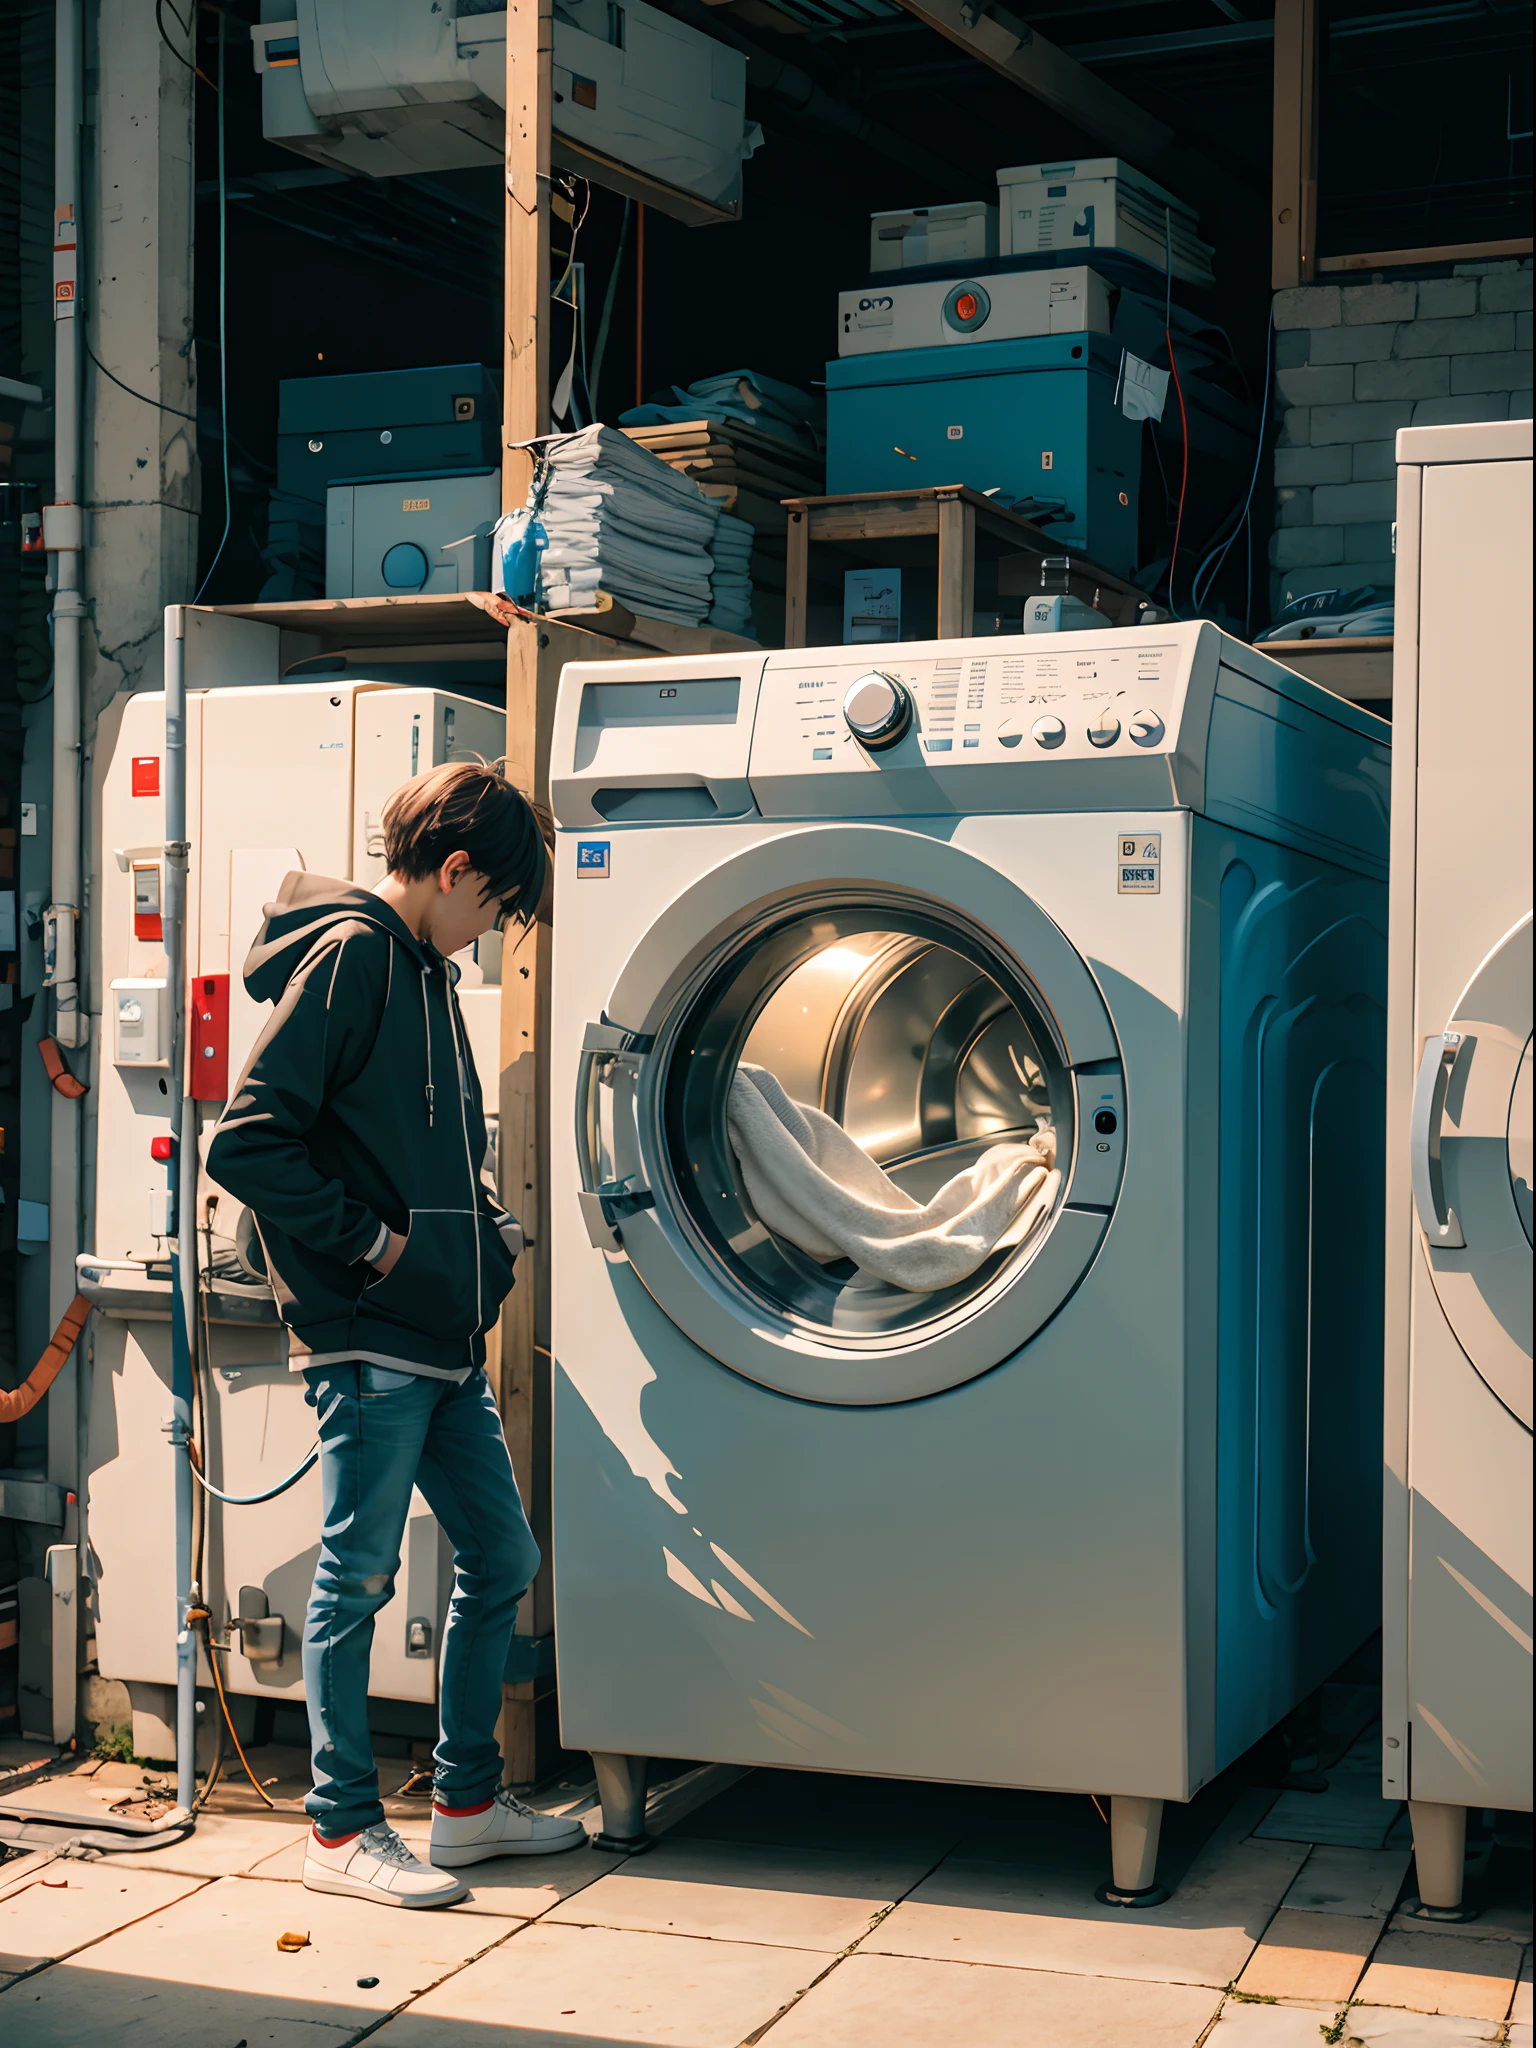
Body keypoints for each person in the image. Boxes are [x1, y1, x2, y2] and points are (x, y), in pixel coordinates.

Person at [208, 758, 583, 1908]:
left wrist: (480, 1228)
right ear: (457, 868)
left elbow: (407, 1152)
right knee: (357, 1575)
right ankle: (339, 1829)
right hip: (369, 1338)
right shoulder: (356, 956)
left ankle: (466, 1804)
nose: (491, 934)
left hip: (439, 1339)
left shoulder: (417, 969)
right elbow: (249, 1142)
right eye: (496, 910)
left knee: (503, 1556)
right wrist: (375, 1249)